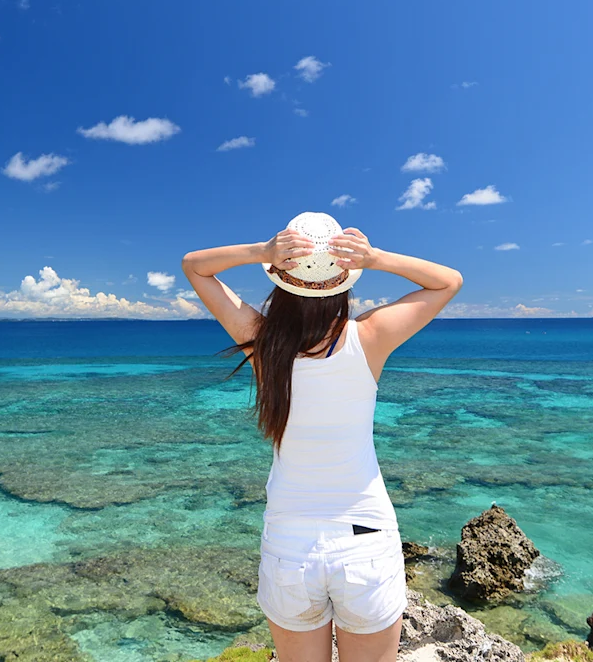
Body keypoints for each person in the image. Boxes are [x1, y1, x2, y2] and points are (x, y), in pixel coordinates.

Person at [182, 211, 463, 662]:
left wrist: (263, 251)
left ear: (279, 283)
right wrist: (375, 258)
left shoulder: (261, 343)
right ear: (344, 283)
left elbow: (195, 265)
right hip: (366, 539)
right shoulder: (369, 337)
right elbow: (447, 281)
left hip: (289, 546)